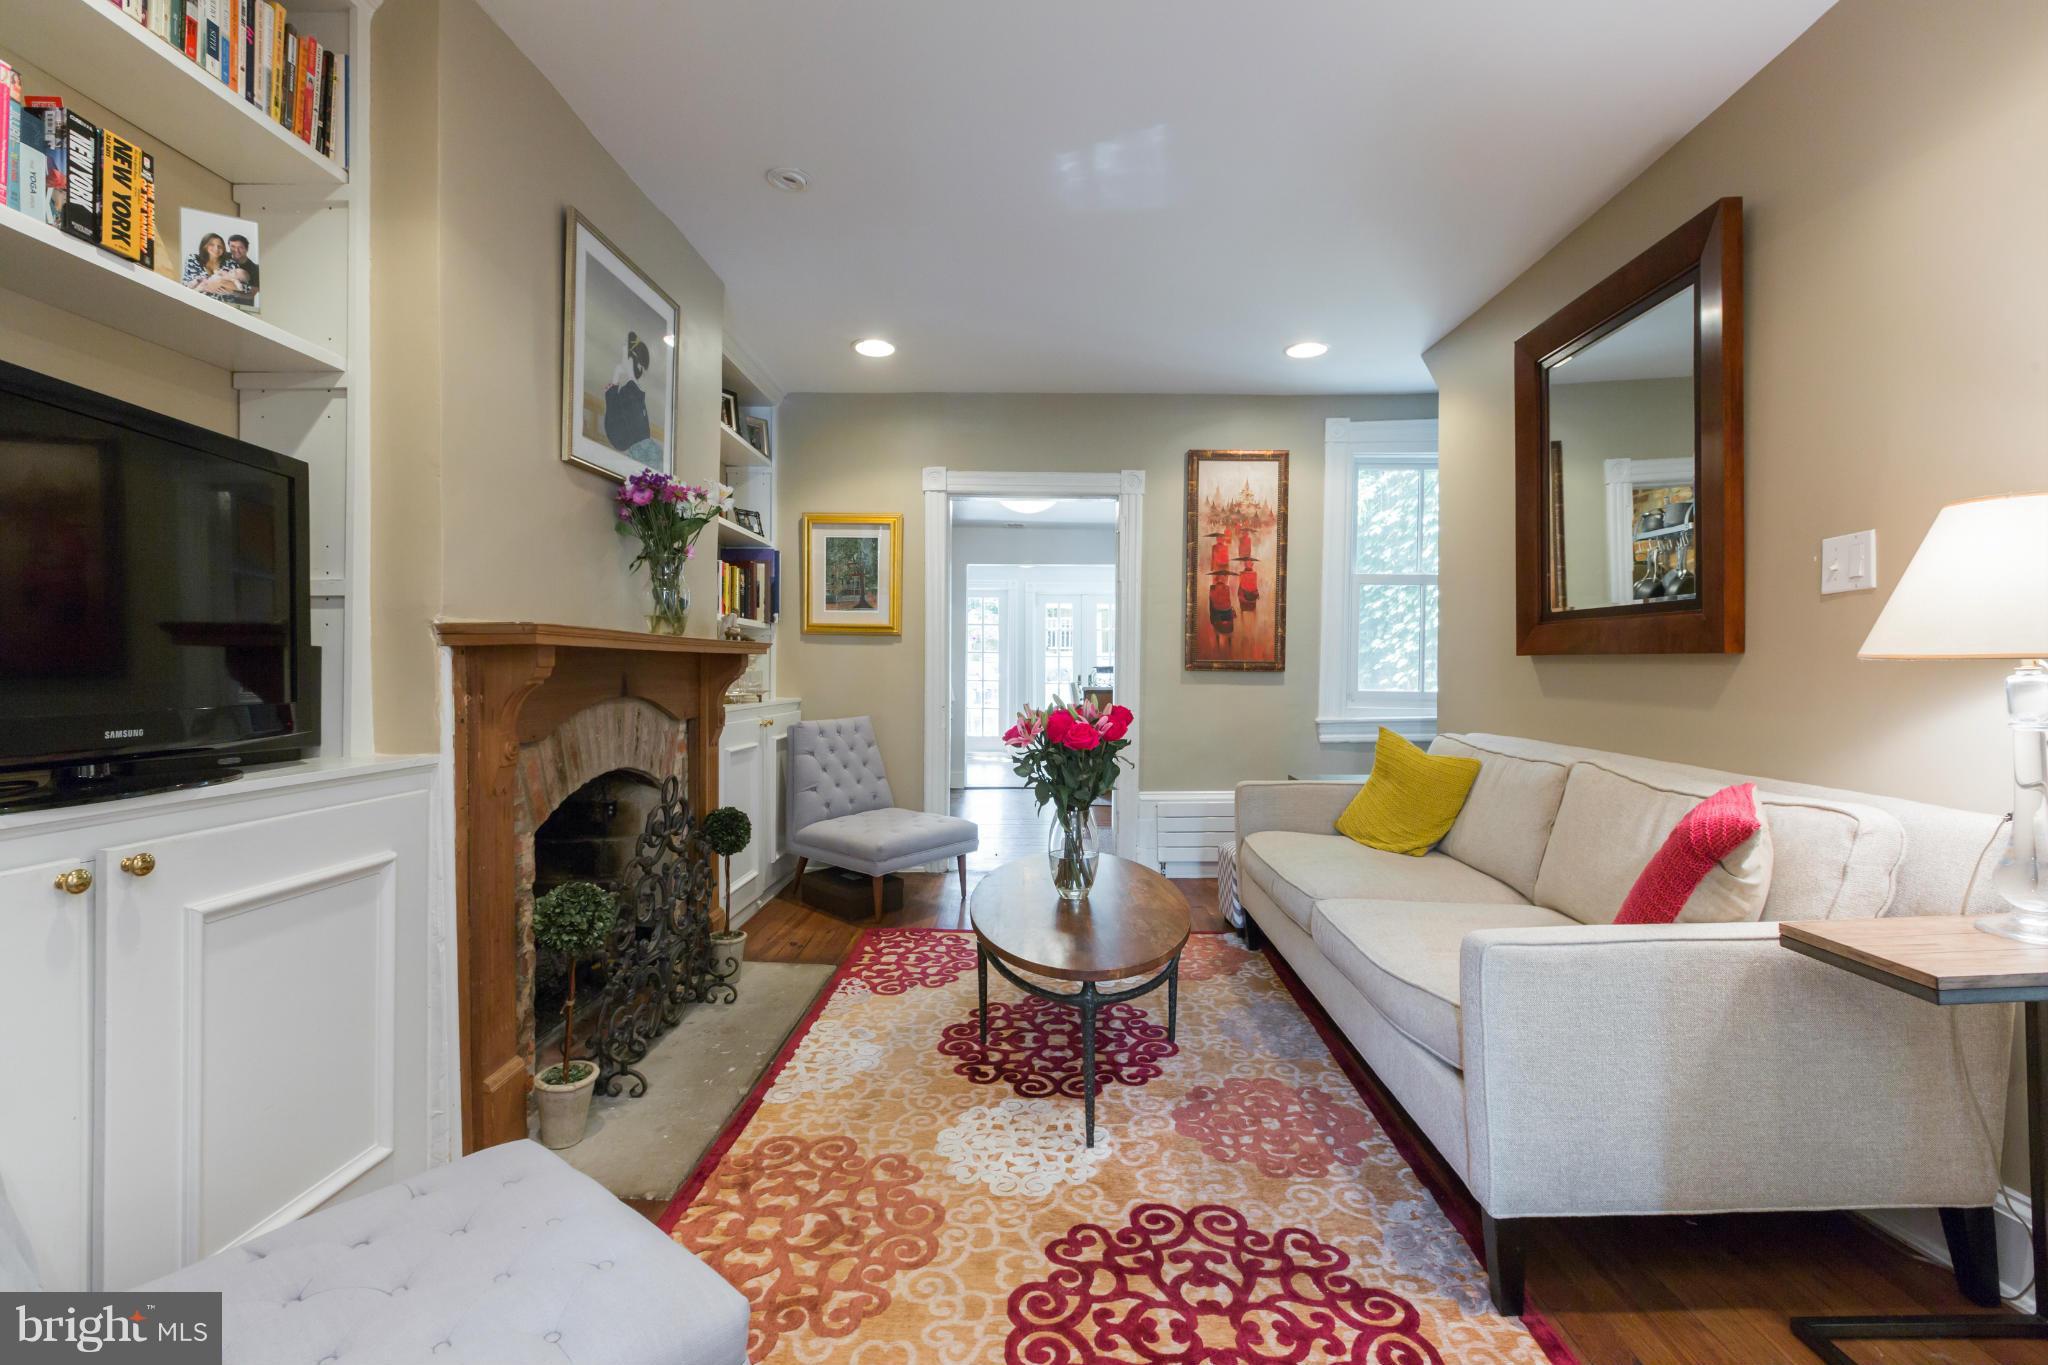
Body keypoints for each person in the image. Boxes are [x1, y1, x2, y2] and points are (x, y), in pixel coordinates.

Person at [602, 331, 656, 456]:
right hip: (621, 439)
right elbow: (613, 409)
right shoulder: (630, 390)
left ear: (635, 362)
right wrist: (616, 374)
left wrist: (624, 375)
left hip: (627, 440)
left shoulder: (632, 392)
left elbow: (615, 412)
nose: (622, 360)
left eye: (625, 357)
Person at [224, 234, 259, 305]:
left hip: (242, 307)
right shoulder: (224, 257)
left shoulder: (255, 269)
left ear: (247, 249)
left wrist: (233, 293)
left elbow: (251, 294)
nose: (236, 250)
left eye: (240, 247)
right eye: (233, 247)